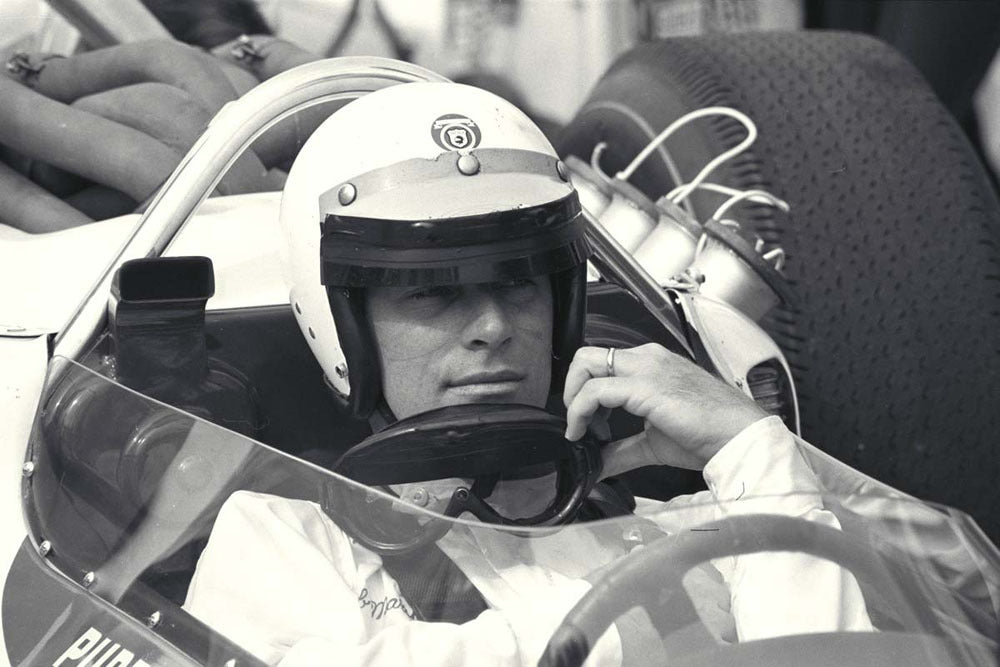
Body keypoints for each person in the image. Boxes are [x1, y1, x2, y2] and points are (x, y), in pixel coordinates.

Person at [182, 82, 872, 665]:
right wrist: (644, 630)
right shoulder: (277, 542)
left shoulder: (685, 527)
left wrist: (750, 446)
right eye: (431, 291)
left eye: (519, 282)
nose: (493, 326)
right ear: (344, 326)